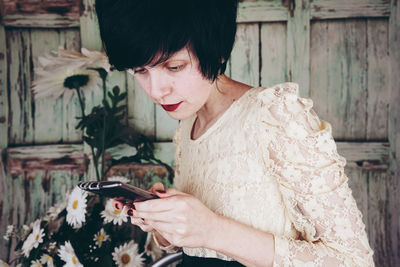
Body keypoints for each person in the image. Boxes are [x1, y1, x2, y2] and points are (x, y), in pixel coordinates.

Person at [95, 0, 374, 266]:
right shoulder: (186, 128)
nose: (156, 91)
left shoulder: (275, 115)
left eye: (174, 66)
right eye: (140, 71)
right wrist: (166, 224)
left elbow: (353, 261)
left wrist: (212, 229)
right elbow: (202, 252)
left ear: (217, 50)